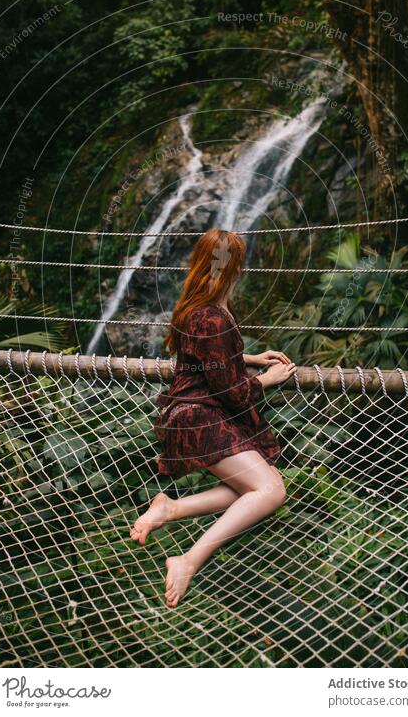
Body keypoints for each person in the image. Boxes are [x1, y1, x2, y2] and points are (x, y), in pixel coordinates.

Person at [131, 228, 297, 607]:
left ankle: (170, 508)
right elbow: (230, 391)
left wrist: (250, 359)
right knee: (271, 490)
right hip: (198, 417)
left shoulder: (200, 309)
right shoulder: (213, 317)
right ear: (236, 268)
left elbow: (205, 359)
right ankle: (188, 560)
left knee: (255, 488)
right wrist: (267, 379)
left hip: (191, 414)